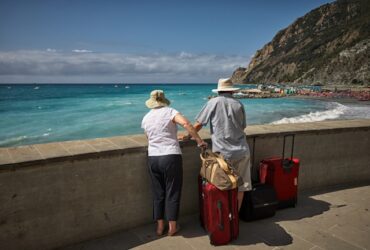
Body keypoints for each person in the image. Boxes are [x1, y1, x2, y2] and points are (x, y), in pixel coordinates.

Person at [141, 90, 207, 236]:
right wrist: (199, 141)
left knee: (158, 193)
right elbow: (186, 123)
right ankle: (172, 227)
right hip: (170, 156)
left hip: (153, 157)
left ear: (151, 102)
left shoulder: (146, 118)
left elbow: (149, 137)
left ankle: (159, 227)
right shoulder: (170, 111)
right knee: (172, 192)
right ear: (164, 100)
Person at [185, 78, 251, 211]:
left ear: (219, 90)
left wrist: (187, 135)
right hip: (242, 151)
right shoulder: (238, 104)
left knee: (222, 186)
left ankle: (224, 219)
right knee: (241, 186)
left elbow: (198, 124)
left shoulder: (213, 102)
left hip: (222, 154)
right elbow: (243, 127)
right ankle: (234, 219)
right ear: (232, 91)